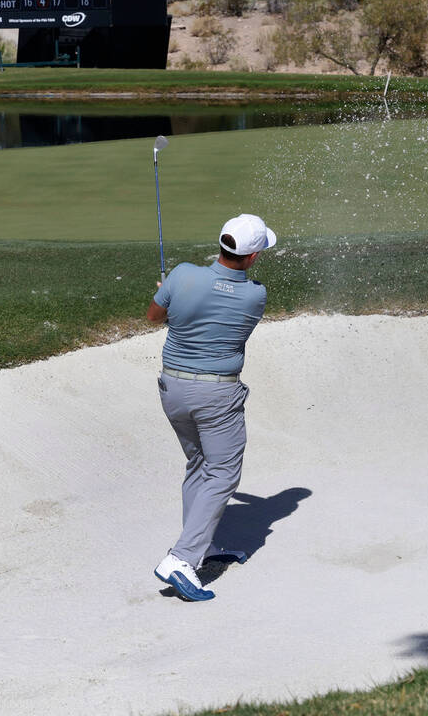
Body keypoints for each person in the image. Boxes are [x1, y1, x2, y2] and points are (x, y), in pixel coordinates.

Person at [147, 213, 276, 602]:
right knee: (222, 473)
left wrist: (169, 293)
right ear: (252, 257)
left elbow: (155, 318)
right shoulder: (256, 295)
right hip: (217, 396)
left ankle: (199, 545)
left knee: (199, 465)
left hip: (173, 389)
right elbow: (218, 310)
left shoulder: (182, 274)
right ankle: (182, 558)